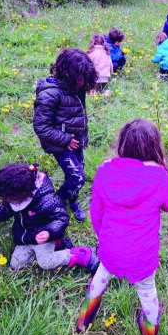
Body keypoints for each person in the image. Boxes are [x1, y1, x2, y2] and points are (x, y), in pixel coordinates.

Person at [76, 119, 168, 335]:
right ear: (155, 147)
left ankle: (84, 318)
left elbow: (96, 212)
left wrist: (102, 237)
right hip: (143, 255)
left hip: (110, 247)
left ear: (122, 144)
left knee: (101, 276)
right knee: (147, 292)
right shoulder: (160, 177)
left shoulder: (104, 171)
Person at [0, 163, 98, 273]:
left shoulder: (46, 200)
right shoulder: (15, 199)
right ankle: (57, 246)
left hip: (43, 235)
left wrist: (49, 232)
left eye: (8, 199)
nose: (6, 201)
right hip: (26, 236)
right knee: (16, 264)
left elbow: (61, 218)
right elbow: (5, 209)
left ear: (22, 194)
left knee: (45, 262)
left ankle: (80, 254)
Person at [33, 48, 97, 222]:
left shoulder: (77, 86)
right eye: (80, 78)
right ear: (67, 72)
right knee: (78, 178)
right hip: (60, 143)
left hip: (76, 140)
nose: (83, 83)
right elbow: (41, 126)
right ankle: (55, 204)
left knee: (78, 172)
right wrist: (65, 139)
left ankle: (72, 201)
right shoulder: (50, 94)